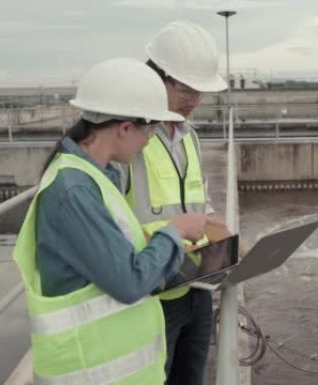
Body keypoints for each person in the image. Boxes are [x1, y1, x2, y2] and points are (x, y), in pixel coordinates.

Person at [12, 57, 210, 385]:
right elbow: (129, 282)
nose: (150, 140)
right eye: (150, 130)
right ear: (125, 128)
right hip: (89, 371)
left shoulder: (95, 178)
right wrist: (174, 231)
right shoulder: (73, 191)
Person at [122, 20, 229, 385]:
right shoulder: (127, 141)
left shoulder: (189, 137)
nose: (195, 101)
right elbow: (111, 223)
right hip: (149, 297)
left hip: (195, 287)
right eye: (187, 90)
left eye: (201, 91)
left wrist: (233, 243)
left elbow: (204, 208)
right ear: (157, 79)